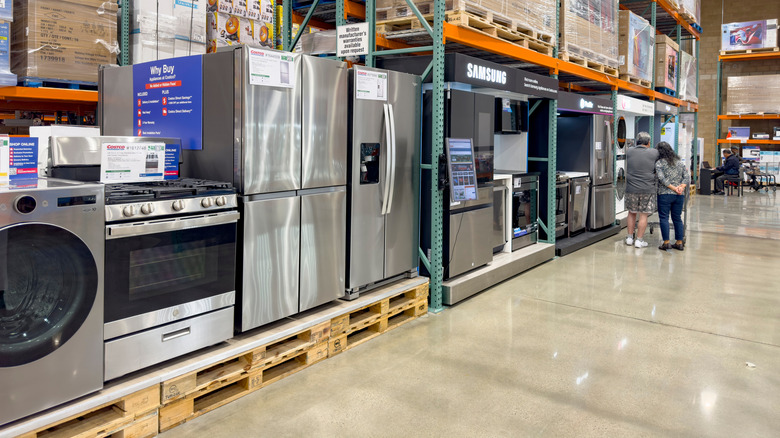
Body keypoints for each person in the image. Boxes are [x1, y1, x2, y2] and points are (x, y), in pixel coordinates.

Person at [624, 131, 659, 248]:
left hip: (631, 188)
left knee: (631, 213)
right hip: (647, 188)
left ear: (637, 141)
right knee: (643, 215)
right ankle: (639, 240)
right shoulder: (654, 152)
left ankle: (629, 238)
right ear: (648, 142)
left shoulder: (629, 151)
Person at [655, 142, 689, 251]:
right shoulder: (679, 162)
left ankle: (666, 242)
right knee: (677, 218)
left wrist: (673, 188)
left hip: (665, 194)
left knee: (664, 217)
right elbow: (687, 177)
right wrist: (681, 187)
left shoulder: (659, 163)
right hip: (679, 195)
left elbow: (661, 178)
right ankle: (679, 242)